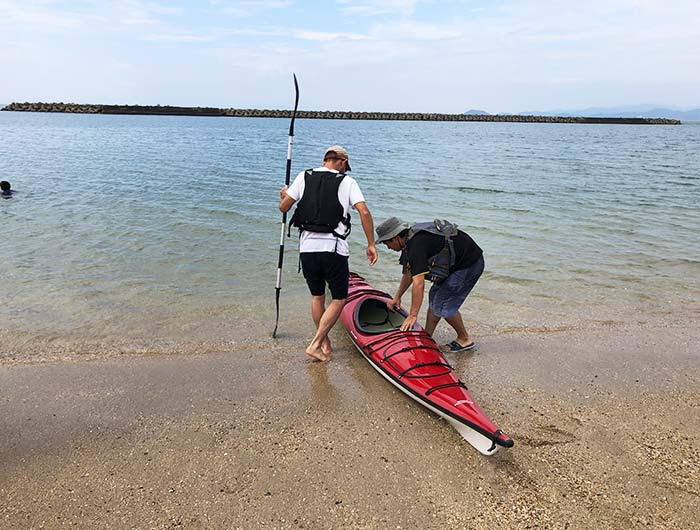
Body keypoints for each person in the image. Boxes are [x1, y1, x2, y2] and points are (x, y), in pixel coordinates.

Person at [279, 145, 378, 362]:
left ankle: (324, 342)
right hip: (333, 249)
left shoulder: (303, 176)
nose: (345, 171)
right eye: (345, 167)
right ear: (341, 161)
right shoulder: (348, 182)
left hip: (307, 250)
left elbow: (284, 207)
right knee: (340, 298)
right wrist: (371, 243)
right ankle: (316, 343)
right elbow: (364, 211)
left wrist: (284, 194)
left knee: (317, 297)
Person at [376, 216, 484, 352]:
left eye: (387, 243)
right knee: (435, 297)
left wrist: (413, 315)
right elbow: (409, 273)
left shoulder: (416, 246)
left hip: (469, 264)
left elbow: (418, 283)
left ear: (395, 237)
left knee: (444, 305)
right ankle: (427, 336)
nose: (388, 247)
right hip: (456, 263)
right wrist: (397, 297)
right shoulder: (409, 242)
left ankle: (464, 339)